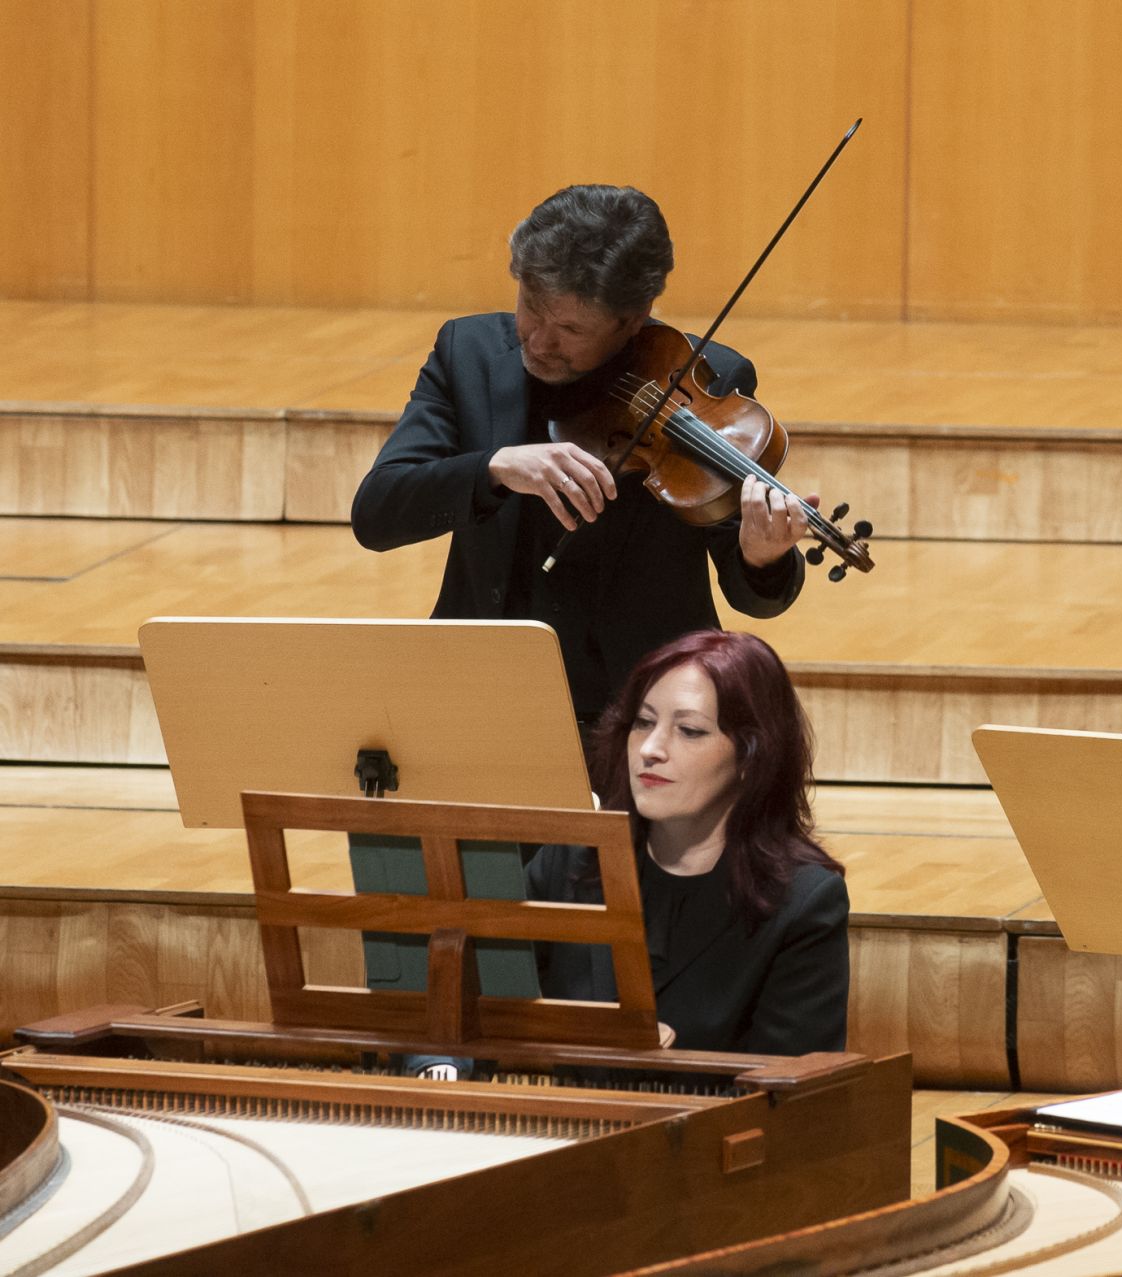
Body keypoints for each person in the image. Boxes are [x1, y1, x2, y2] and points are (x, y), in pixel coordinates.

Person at [351, 183, 816, 724]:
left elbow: (755, 597)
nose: (540, 341)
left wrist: (764, 555)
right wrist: (496, 467)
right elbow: (377, 515)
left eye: (571, 328)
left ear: (636, 317)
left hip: (642, 711)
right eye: (531, 307)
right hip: (481, 689)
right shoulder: (468, 354)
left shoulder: (706, 378)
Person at [526, 630, 849, 1055]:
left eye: (690, 731)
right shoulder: (571, 857)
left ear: (752, 757)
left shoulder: (804, 903)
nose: (652, 749)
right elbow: (478, 1003)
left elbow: (790, 1096)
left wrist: (673, 1067)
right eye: (643, 723)